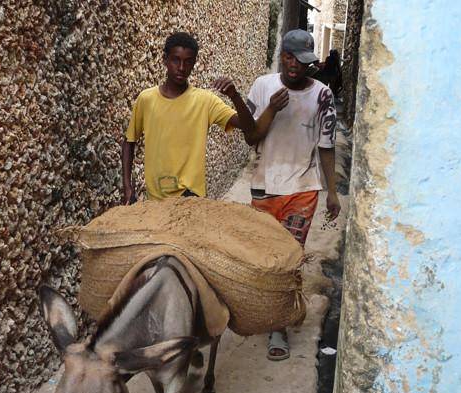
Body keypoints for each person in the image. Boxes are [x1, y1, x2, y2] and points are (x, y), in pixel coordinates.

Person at [244, 29, 341, 361]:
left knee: (289, 257)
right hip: (263, 185)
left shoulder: (323, 95)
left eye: (304, 61)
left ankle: (279, 325)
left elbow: (326, 147)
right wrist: (270, 108)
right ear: (283, 56)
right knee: (264, 257)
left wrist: (331, 192)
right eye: (292, 59)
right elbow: (249, 133)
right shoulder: (262, 86)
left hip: (303, 188)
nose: (298, 67)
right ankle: (264, 309)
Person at [122, 32, 255, 203]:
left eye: (188, 61)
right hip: (155, 201)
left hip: (191, 200)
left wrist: (234, 96)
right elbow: (129, 141)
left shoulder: (205, 101)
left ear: (194, 64)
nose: (181, 67)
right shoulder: (146, 99)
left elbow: (249, 128)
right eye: (175, 60)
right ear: (165, 60)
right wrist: (127, 187)